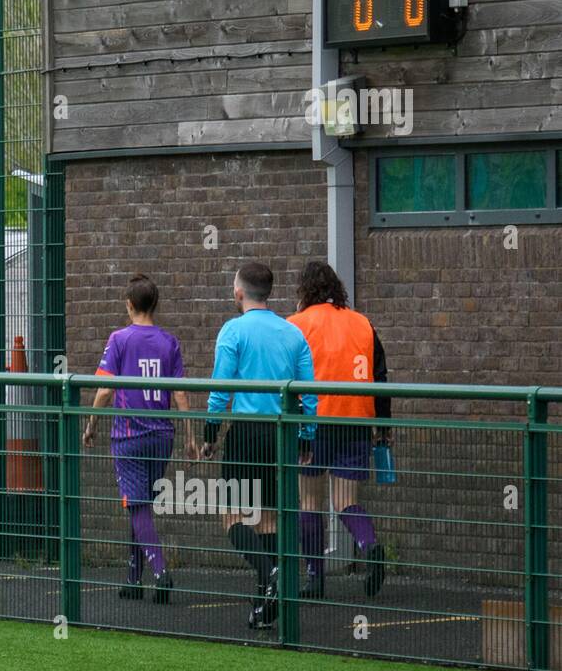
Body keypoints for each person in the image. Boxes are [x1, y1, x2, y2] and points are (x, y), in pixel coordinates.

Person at [204, 262, 317, 629]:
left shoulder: (233, 331)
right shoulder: (293, 333)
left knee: (232, 517)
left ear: (239, 293)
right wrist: (307, 436)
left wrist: (209, 433)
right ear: (268, 293)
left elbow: (221, 390)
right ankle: (266, 607)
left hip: (247, 432)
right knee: (268, 518)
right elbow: (308, 394)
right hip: (282, 433)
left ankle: (270, 574)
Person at [82, 274, 192, 603]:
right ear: (155, 305)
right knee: (140, 506)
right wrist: (189, 435)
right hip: (162, 434)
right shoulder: (169, 341)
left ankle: (160, 571)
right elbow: (181, 394)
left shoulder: (119, 339)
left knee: (137, 505)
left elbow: (104, 389)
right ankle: (133, 577)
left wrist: (91, 425)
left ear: (129, 305)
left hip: (129, 435)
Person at [288, 260, 390, 600]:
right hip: (357, 419)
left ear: (304, 291)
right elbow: (380, 375)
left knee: (309, 501)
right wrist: (383, 427)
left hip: (312, 424)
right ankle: (369, 543)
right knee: (346, 501)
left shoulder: (297, 325)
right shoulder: (362, 323)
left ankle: (315, 577)